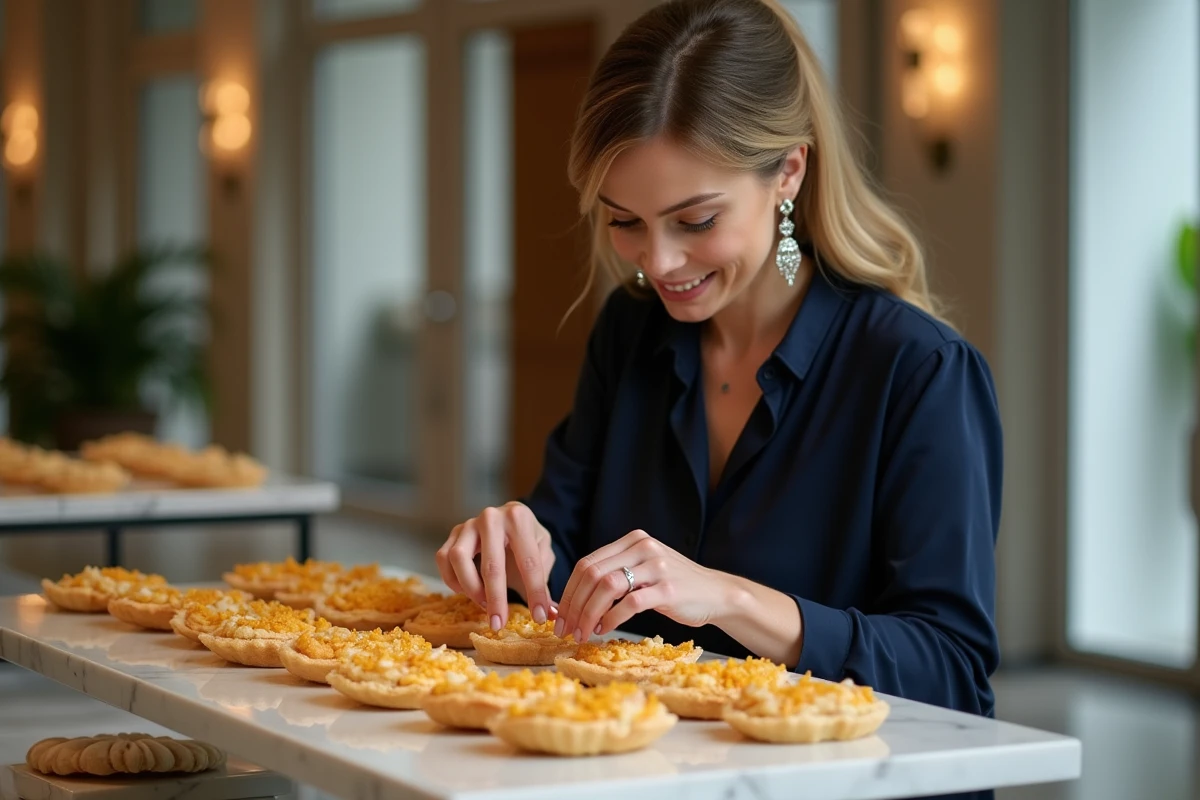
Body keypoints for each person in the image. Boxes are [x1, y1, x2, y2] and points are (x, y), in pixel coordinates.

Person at [437, 2, 1002, 792]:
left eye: (695, 220)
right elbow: (562, 560)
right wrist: (516, 538)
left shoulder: (917, 370)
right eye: (624, 222)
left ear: (789, 174)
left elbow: (951, 670)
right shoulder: (630, 332)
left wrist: (728, 598)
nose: (658, 262)